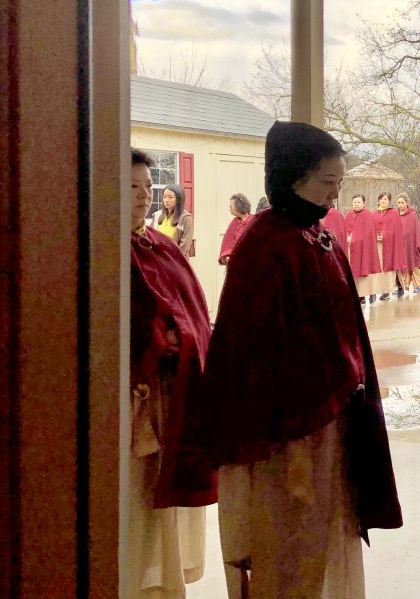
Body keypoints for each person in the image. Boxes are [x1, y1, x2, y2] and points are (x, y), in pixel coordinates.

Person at [198, 121, 402, 599]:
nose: (335, 195)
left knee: (324, 537)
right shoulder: (265, 244)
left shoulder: (319, 238)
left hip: (331, 427)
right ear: (291, 178)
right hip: (286, 437)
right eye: (327, 183)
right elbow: (250, 350)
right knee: (290, 545)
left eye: (339, 183)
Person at [127, 149, 216, 599]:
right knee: (133, 501)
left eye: (147, 187)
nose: (143, 196)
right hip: (133, 402)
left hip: (171, 394)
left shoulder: (160, 245)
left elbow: (194, 310)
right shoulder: (100, 251)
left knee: (160, 502)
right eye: (132, 187)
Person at [346, 194, 383, 304]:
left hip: (365, 249)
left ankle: (371, 292)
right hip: (352, 250)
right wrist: (348, 236)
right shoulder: (348, 215)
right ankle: (359, 296)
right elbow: (345, 229)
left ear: (363, 203)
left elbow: (368, 234)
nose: (356, 204)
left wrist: (356, 239)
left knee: (366, 272)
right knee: (354, 274)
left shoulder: (367, 215)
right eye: (354, 202)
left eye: (358, 202)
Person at [396, 193, 420, 294]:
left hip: (411, 245)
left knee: (414, 265)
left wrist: (418, 244)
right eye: (398, 202)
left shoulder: (412, 214)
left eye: (402, 202)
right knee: (402, 266)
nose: (400, 205)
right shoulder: (395, 214)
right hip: (400, 245)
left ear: (407, 203)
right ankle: (403, 285)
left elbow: (416, 230)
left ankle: (418, 286)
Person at [154, 182, 195, 257]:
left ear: (178, 199)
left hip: (174, 262)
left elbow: (184, 247)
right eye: (164, 197)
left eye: (170, 197)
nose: (166, 200)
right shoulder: (157, 215)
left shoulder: (186, 219)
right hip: (157, 260)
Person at [218, 193, 253, 265]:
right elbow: (228, 242)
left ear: (239, 207)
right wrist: (228, 255)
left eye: (231, 206)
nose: (229, 208)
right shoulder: (234, 222)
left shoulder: (253, 221)